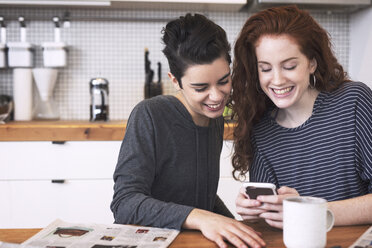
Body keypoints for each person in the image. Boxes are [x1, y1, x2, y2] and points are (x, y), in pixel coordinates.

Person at [111, 13, 265, 248]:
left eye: (223, 81)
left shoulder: (213, 120)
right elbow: (125, 204)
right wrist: (202, 217)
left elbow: (198, 195)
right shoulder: (150, 115)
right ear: (175, 81)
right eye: (200, 87)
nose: (216, 97)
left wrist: (233, 227)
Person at [231, 5, 372, 229]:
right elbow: (272, 221)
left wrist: (309, 211)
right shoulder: (261, 130)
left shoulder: (354, 102)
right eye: (265, 69)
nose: (277, 80)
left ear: (312, 63)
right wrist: (254, 212)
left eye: (289, 66)